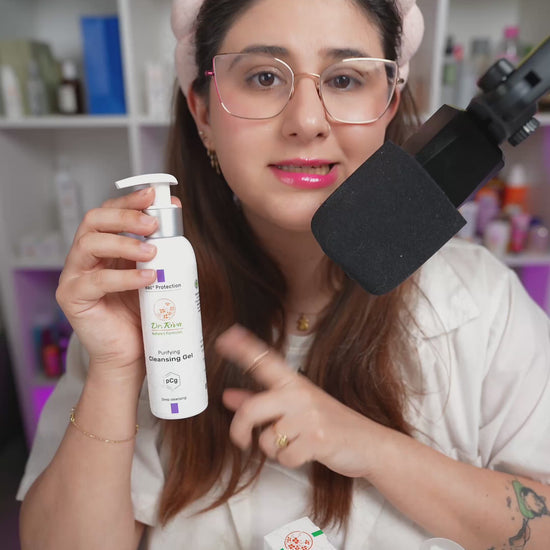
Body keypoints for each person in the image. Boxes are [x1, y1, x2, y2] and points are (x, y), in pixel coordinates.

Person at [17, 0, 550, 548]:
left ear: (389, 106)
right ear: (203, 113)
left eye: (344, 79)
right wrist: (115, 370)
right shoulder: (146, 301)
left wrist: (374, 449)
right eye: (264, 77)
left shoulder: (482, 303)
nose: (307, 122)